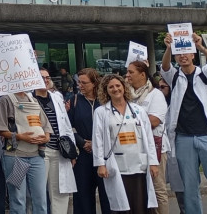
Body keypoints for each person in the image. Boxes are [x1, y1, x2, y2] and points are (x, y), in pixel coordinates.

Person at [160, 32, 207, 214]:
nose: (183, 56)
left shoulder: (205, 75)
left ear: (192, 55)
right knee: (189, 186)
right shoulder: (175, 77)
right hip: (184, 140)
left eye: (187, 52)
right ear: (176, 56)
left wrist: (201, 47)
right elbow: (165, 68)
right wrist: (168, 47)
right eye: (179, 53)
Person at [92, 74, 159, 214]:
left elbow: (148, 137)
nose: (115, 89)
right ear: (106, 90)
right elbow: (97, 139)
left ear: (124, 87)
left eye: (118, 85)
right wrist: (100, 164)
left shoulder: (138, 110)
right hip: (117, 166)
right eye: (111, 87)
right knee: (123, 205)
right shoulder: (101, 112)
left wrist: (153, 162)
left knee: (141, 204)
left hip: (139, 164)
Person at [0, 89, 52, 214]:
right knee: (18, 199)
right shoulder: (5, 99)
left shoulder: (33, 100)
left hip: (36, 155)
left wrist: (46, 137)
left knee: (40, 198)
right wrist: (20, 136)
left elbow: (46, 125)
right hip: (15, 155)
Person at [126, 60, 169, 213]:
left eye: (131, 72)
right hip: (132, 148)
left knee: (158, 189)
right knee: (138, 189)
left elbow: (154, 121)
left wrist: (127, 125)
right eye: (127, 72)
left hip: (155, 148)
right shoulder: (127, 95)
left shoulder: (155, 94)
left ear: (142, 74)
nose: (127, 75)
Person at [67, 68, 111, 214]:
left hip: (104, 154)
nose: (80, 86)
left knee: (108, 195)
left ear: (94, 83)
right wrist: (82, 142)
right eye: (79, 82)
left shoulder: (105, 102)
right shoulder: (74, 101)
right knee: (83, 196)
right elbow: (68, 126)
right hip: (83, 155)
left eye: (84, 83)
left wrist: (97, 144)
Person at [34, 68, 77, 214]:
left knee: (60, 192)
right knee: (37, 193)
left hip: (59, 151)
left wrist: (72, 152)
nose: (45, 80)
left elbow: (66, 125)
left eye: (47, 77)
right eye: (41, 77)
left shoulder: (57, 98)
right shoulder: (29, 98)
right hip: (38, 151)